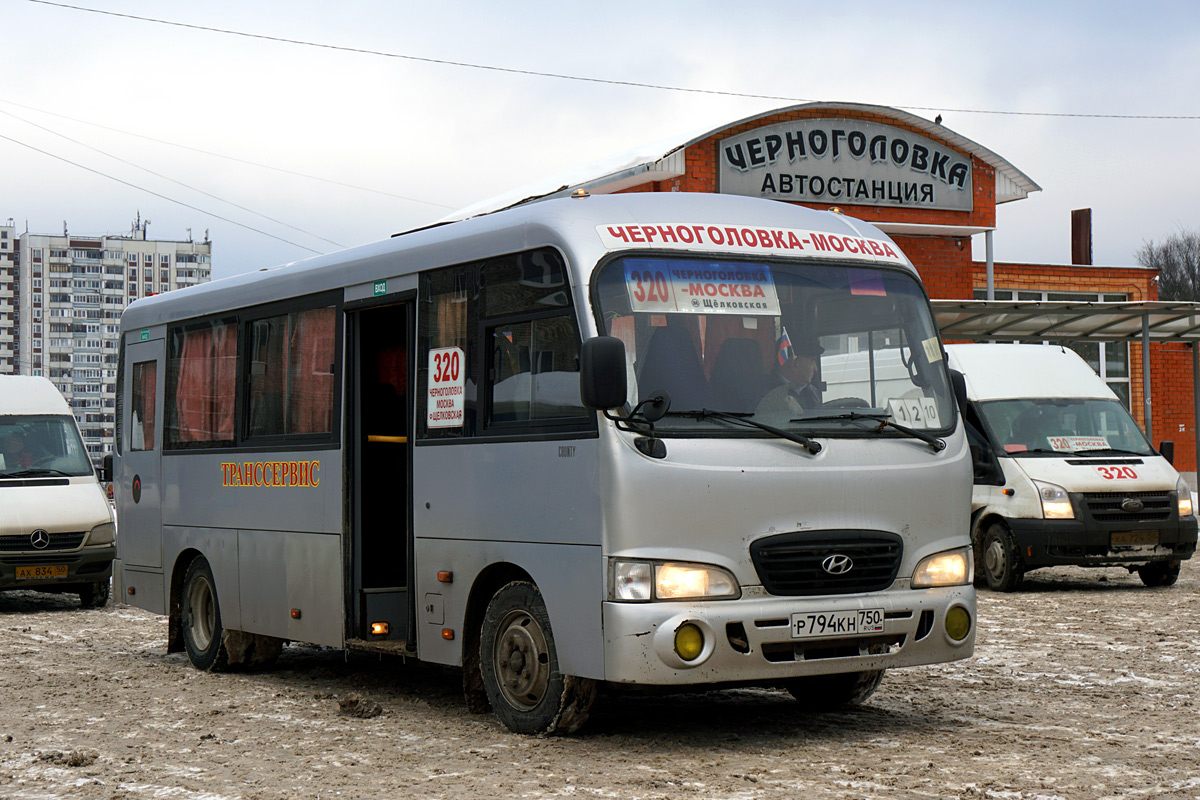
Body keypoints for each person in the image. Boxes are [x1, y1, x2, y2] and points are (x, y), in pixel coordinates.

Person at [756, 334, 823, 418]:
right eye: (812, 361)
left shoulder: (812, 392)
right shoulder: (764, 393)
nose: (816, 368)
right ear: (795, 364)